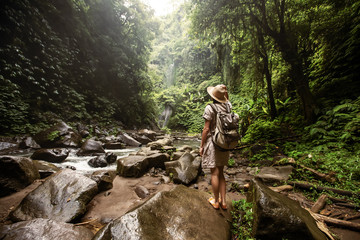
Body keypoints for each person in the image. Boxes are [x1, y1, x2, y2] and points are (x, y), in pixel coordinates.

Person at [200, 84, 231, 210]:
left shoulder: (210, 108)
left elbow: (206, 129)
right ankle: (224, 202)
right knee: (221, 172)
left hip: (213, 142)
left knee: (214, 173)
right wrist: (225, 93)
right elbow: (228, 100)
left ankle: (216, 202)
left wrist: (201, 146)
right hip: (225, 142)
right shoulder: (228, 106)